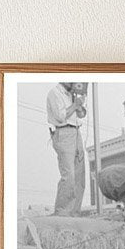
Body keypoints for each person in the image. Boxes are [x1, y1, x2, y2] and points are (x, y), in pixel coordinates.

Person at [46, 80, 88, 216]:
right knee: (69, 174)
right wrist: (75, 105)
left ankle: (74, 212)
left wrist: (79, 104)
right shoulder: (54, 93)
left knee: (79, 175)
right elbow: (60, 116)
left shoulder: (72, 94)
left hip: (76, 131)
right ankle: (62, 211)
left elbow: (82, 114)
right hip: (63, 132)